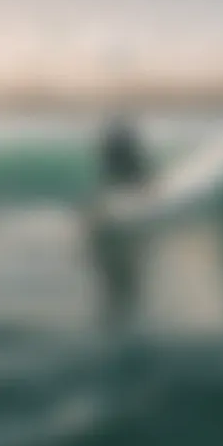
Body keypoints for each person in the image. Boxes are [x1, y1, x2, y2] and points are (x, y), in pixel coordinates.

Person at [88, 116, 152, 334]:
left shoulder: (115, 146)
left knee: (120, 277)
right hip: (123, 188)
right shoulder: (119, 147)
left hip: (121, 187)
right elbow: (133, 170)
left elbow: (115, 170)